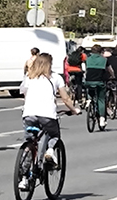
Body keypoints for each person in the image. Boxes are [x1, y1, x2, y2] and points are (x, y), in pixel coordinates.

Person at [20, 52, 77, 186]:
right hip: (47, 115)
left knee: (29, 142)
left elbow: (24, 93)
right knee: (54, 134)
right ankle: (50, 151)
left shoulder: (29, 77)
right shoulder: (56, 78)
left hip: (28, 114)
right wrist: (74, 110)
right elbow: (65, 98)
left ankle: (24, 178)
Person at [83, 41, 109, 127]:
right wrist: (112, 76)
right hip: (99, 82)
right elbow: (110, 70)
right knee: (101, 99)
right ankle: (102, 118)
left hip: (89, 81)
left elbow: (86, 70)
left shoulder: (87, 59)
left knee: (90, 89)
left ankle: (89, 100)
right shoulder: (104, 60)